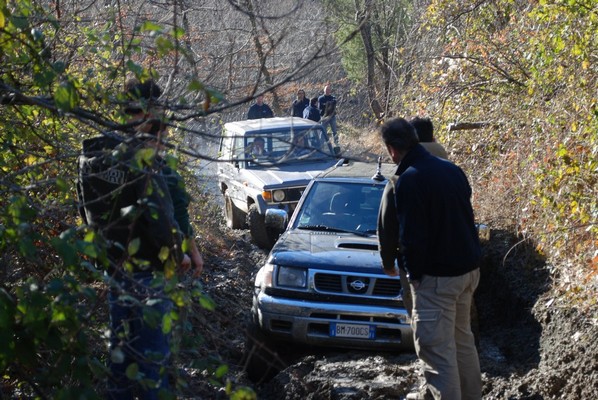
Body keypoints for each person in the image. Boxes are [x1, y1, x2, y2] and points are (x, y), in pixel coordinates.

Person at [77, 79, 201, 399]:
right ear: (148, 111)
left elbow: (85, 209)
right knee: (152, 366)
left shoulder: (93, 152)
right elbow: (160, 216)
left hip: (115, 270)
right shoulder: (143, 157)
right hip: (149, 273)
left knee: (120, 361)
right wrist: (179, 254)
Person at [378, 118, 482, 400]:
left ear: (392, 149)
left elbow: (412, 238)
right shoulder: (452, 170)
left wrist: (414, 277)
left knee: (437, 354)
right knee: (462, 344)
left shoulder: (409, 179)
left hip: (437, 279)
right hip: (467, 272)